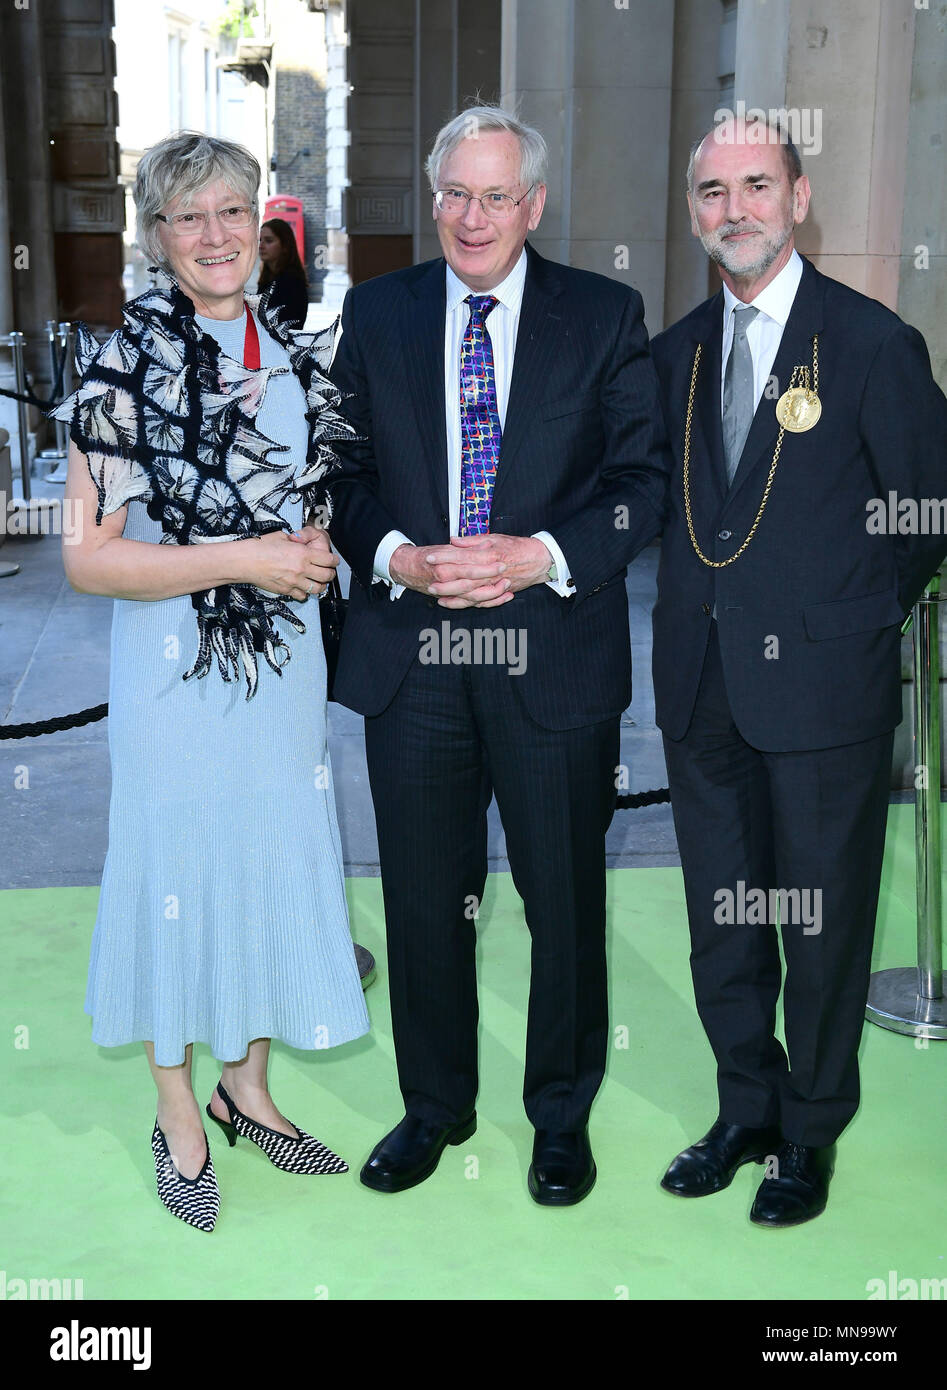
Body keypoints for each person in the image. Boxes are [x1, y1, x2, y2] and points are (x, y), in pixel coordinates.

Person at [326, 104, 670, 1205]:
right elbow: (340, 474)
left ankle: (558, 1117)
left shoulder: (604, 314)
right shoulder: (374, 315)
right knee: (425, 900)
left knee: (561, 899)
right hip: (410, 658)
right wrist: (395, 554)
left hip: (550, 657)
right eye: (454, 194)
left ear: (531, 205)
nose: (472, 217)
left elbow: (642, 483)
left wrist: (539, 556)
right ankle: (433, 1106)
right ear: (435, 201)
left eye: (494, 195)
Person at [57, 130, 370, 1232]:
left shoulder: (292, 354)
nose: (214, 234)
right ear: (156, 239)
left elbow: (302, 500)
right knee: (175, 870)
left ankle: (248, 1084)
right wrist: (246, 558)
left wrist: (311, 548)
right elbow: (88, 557)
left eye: (232, 210)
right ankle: (178, 1109)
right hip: (173, 677)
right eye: (187, 217)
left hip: (281, 677)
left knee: (263, 863)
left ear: (263, 226)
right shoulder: (117, 369)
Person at [650, 115, 947, 1226]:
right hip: (698, 687)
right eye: (713, 191)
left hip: (823, 694)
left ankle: (810, 1131)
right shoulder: (672, 355)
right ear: (693, 212)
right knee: (725, 919)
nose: (734, 209)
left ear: (798, 196)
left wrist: (850, 615)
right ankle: (746, 1108)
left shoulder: (867, 343)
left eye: (755, 186)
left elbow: (924, 508)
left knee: (819, 924)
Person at [258, 217, 310, 330]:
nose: (261, 246)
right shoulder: (267, 280)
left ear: (285, 246)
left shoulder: (292, 283)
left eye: (269, 241)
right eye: (260, 240)